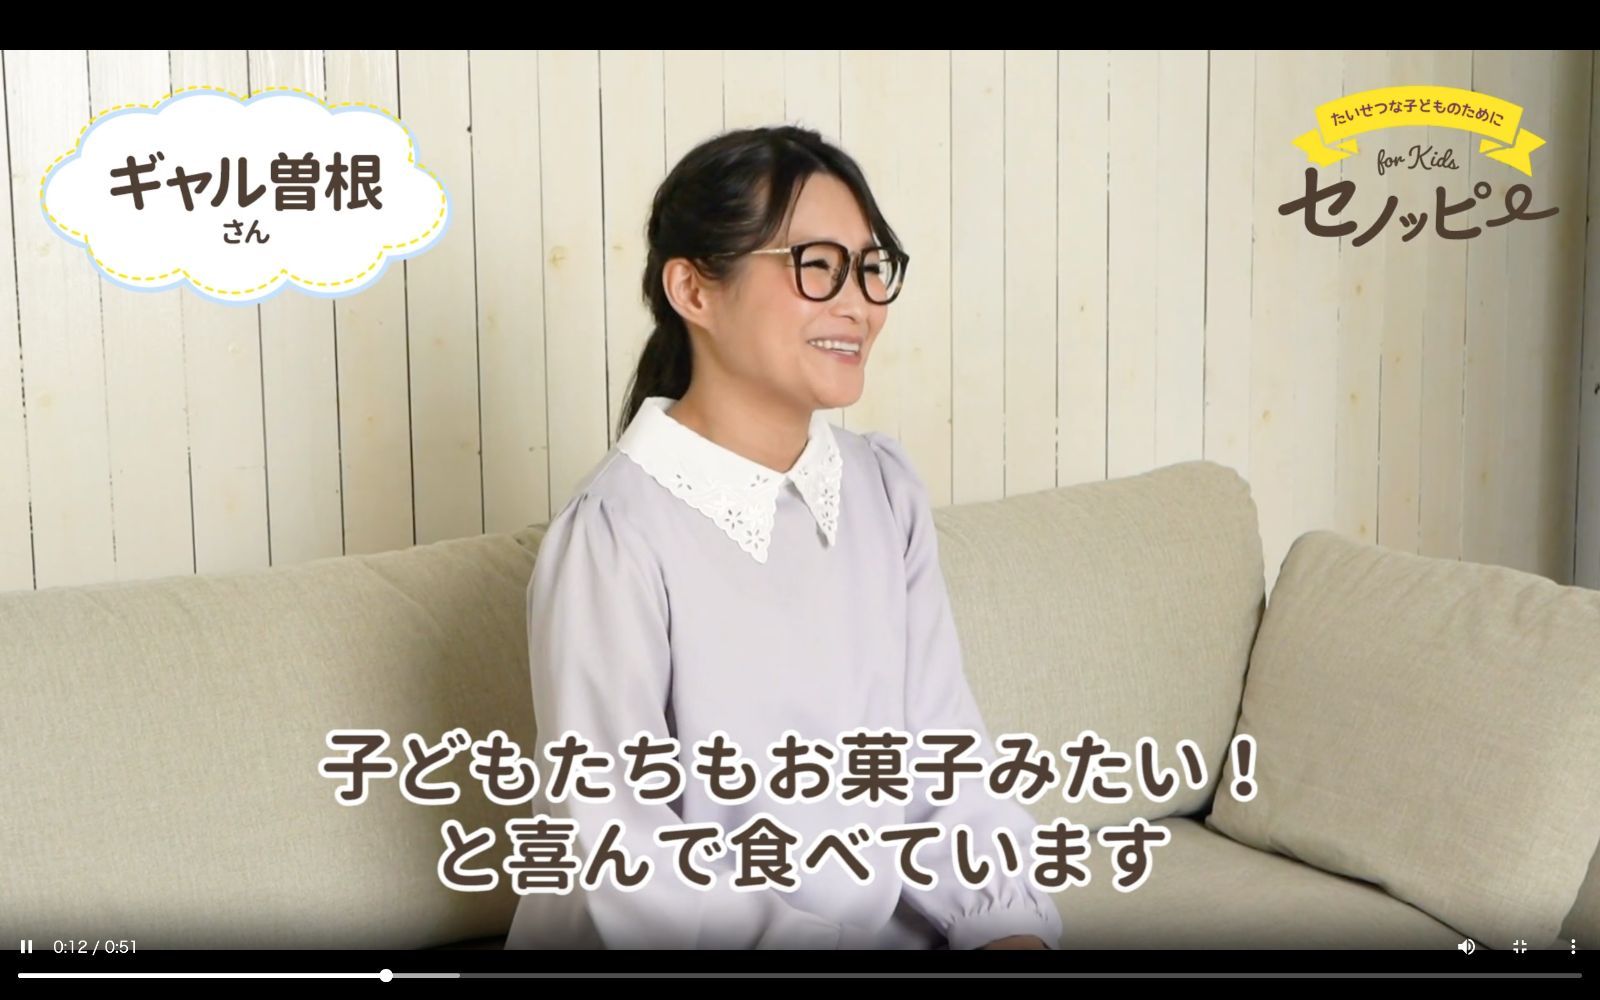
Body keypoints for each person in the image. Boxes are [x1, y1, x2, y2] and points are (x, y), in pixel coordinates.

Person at [503, 125, 1061, 951]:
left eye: (870, 267)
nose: (859, 304)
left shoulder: (884, 492)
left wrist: (1007, 928)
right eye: (817, 265)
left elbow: (946, 763)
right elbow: (626, 864)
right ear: (694, 290)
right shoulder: (616, 536)